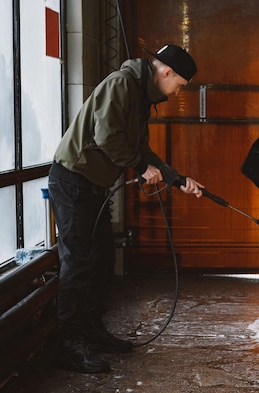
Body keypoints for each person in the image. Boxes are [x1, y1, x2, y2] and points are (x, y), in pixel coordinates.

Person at [48, 44, 203, 373]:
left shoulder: (141, 97)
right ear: (166, 73)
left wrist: (177, 179)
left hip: (93, 185)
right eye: (179, 85)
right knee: (77, 262)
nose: (177, 92)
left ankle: (91, 330)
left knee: (103, 258)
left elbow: (140, 148)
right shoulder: (122, 85)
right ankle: (69, 343)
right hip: (73, 181)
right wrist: (138, 167)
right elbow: (106, 137)